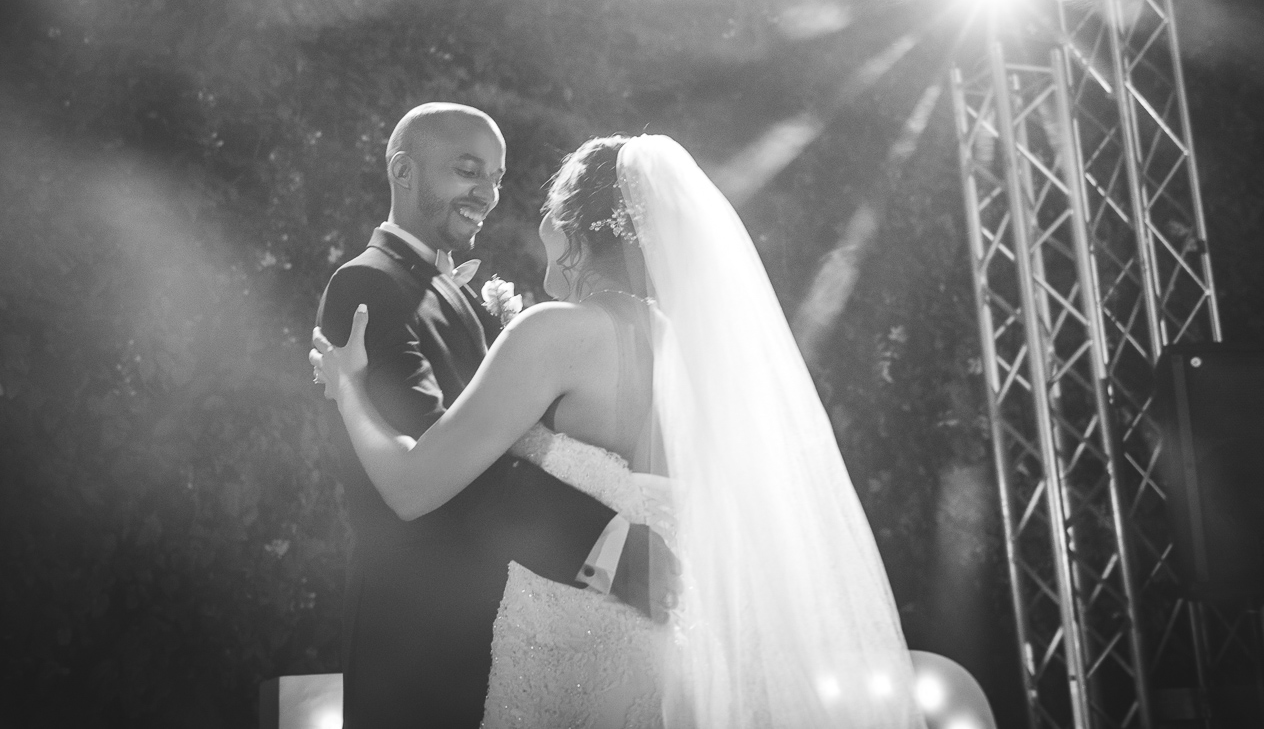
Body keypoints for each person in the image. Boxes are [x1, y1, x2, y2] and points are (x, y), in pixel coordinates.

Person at [314, 133, 923, 729]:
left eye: (547, 209)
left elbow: (411, 487)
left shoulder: (553, 334)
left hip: (562, 643)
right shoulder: (690, 348)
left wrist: (350, 392)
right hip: (664, 647)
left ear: (573, 227)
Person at [314, 104, 663, 729]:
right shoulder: (369, 285)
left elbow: (461, 458)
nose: (490, 194)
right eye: (469, 171)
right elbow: (435, 472)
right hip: (421, 632)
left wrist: (351, 394)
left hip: (525, 620)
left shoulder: (520, 318)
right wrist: (616, 546)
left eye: (498, 178)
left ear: (578, 230)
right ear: (403, 171)